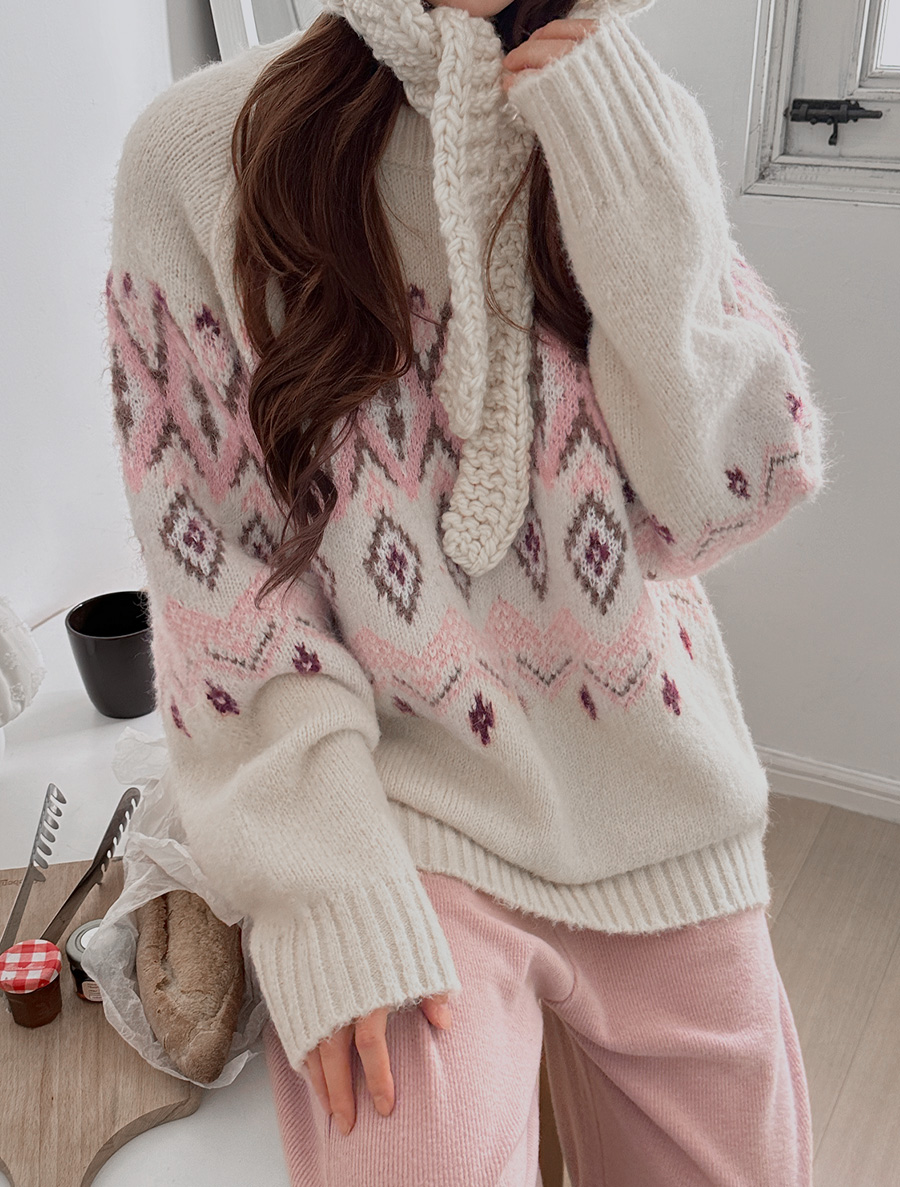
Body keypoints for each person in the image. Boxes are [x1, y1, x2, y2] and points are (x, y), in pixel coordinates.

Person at [103, 0, 833, 1181]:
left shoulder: (638, 123)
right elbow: (223, 589)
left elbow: (723, 502)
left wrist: (632, 192)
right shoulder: (198, 154)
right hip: (399, 803)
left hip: (655, 790)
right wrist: (321, 891)